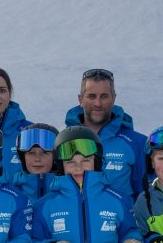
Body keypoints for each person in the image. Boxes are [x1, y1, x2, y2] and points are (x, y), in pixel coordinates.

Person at [31, 126, 146, 243]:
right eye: (70, 162)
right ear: (60, 166)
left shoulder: (118, 200)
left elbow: (131, 231)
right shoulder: (44, 205)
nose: (78, 167)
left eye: (86, 160)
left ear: (96, 162)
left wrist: (132, 241)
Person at [61, 68, 147, 201]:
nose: (98, 103)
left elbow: (145, 197)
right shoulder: (62, 142)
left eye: (104, 96)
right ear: (80, 99)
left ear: (113, 98)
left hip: (122, 220)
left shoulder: (137, 143)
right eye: (91, 96)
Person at [11, 122, 59, 201]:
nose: (37, 159)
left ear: (55, 157)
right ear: (23, 158)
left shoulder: (67, 192)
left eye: (44, 152)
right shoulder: (12, 194)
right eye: (31, 153)